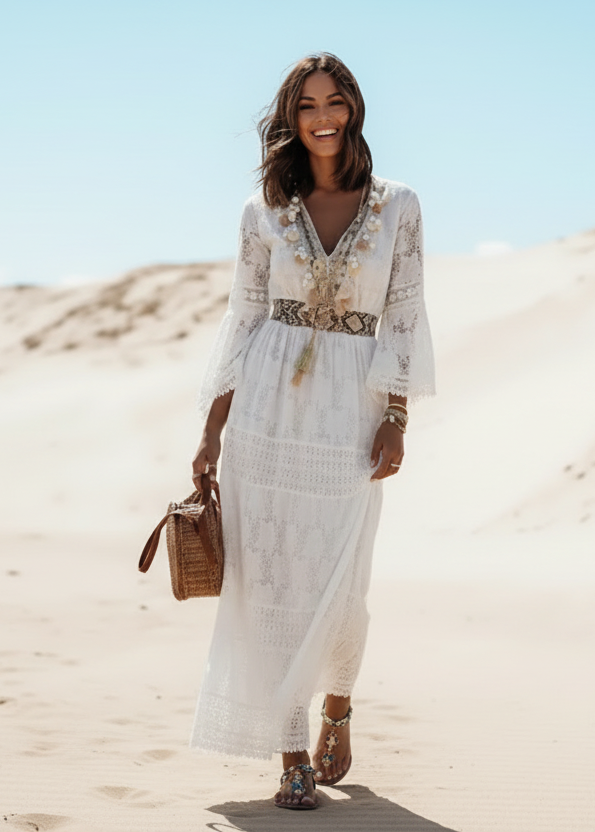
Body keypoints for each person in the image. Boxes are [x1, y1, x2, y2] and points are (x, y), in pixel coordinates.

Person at [189, 52, 435, 810]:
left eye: (334, 102)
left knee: (342, 581)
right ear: (289, 119)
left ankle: (337, 705)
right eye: (306, 106)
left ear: (353, 109)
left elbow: (403, 311)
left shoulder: (398, 205)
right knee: (269, 580)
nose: (322, 117)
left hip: (350, 408)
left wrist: (395, 414)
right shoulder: (261, 208)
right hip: (265, 405)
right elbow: (244, 314)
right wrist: (210, 432)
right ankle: (289, 749)